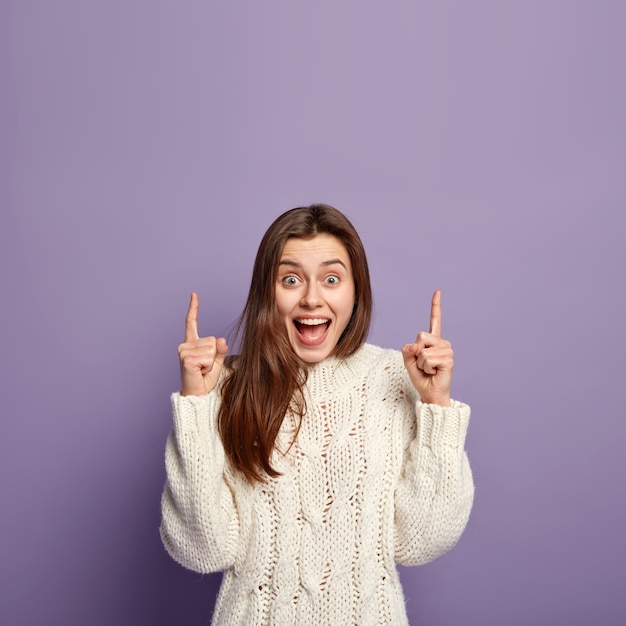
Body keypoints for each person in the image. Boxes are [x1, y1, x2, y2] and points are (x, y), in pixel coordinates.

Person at [160, 204, 474, 626]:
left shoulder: (398, 377)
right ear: (266, 293)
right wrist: (196, 403)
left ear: (355, 290)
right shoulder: (226, 384)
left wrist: (437, 406)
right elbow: (203, 549)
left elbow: (420, 541)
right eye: (290, 279)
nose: (311, 297)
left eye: (331, 279)